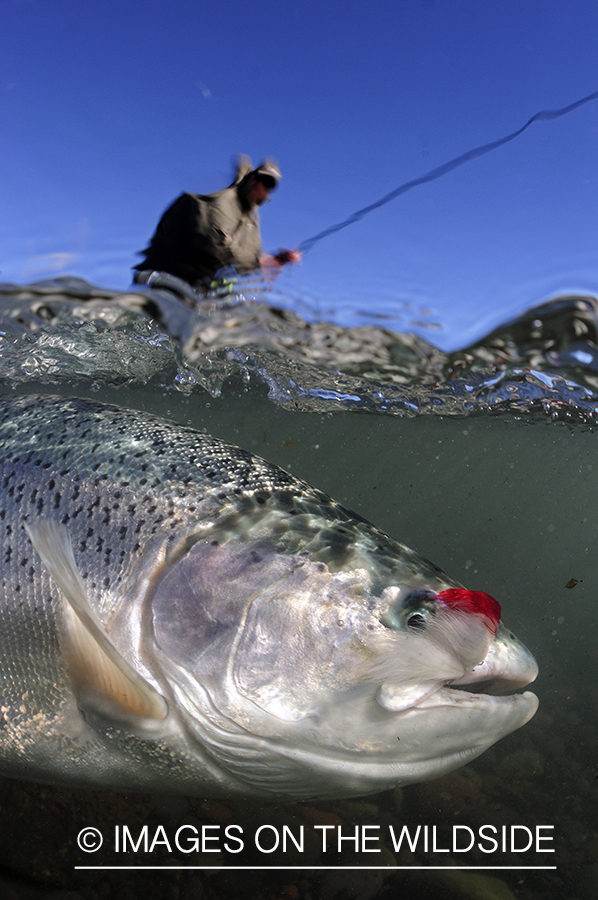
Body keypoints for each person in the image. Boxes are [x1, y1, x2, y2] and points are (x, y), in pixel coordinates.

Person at [133, 157, 301, 292]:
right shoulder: (222, 200)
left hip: (202, 292)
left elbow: (247, 258)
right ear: (251, 177)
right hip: (168, 281)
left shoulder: (252, 220)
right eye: (261, 178)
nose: (262, 186)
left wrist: (276, 259)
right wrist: (259, 263)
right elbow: (213, 245)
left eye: (269, 184)